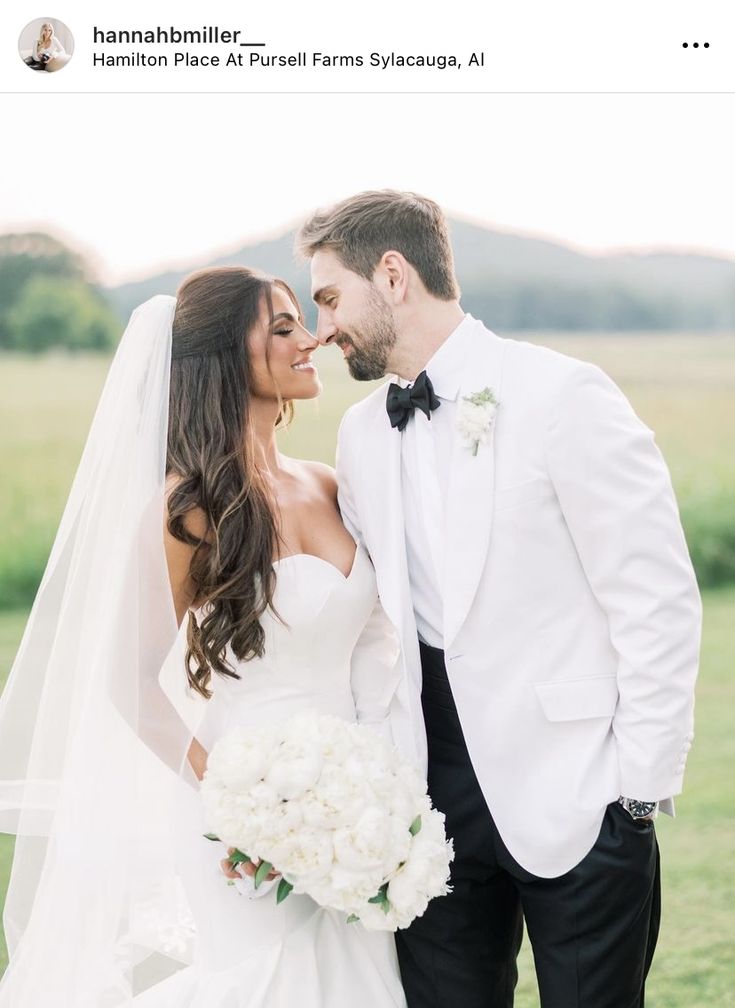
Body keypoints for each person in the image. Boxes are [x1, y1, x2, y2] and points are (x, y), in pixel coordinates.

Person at [296, 190, 702, 1008]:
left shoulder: (562, 394)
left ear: (393, 274)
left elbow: (653, 597)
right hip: (429, 810)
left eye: (330, 297)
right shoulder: (362, 433)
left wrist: (635, 795)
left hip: (580, 798)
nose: (323, 327)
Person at [0, 267, 407, 1006]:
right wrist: (237, 802)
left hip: (359, 803)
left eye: (300, 321)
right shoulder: (188, 509)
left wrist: (375, 788)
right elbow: (129, 680)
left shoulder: (328, 483)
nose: (308, 338)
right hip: (242, 812)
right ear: (225, 357)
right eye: (281, 328)